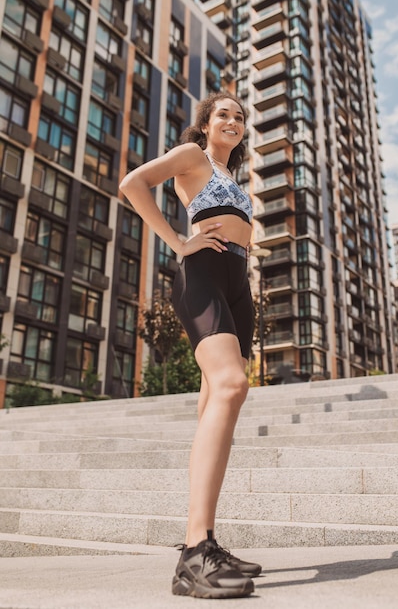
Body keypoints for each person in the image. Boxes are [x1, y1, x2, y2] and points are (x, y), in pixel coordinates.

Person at [119, 92, 261, 599]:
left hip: (236, 284)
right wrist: (178, 243)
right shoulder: (194, 158)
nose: (233, 121)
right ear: (205, 124)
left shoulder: (231, 177)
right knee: (230, 385)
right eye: (223, 113)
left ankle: (204, 542)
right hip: (201, 275)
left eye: (240, 117)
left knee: (216, 404)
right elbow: (133, 184)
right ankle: (195, 553)